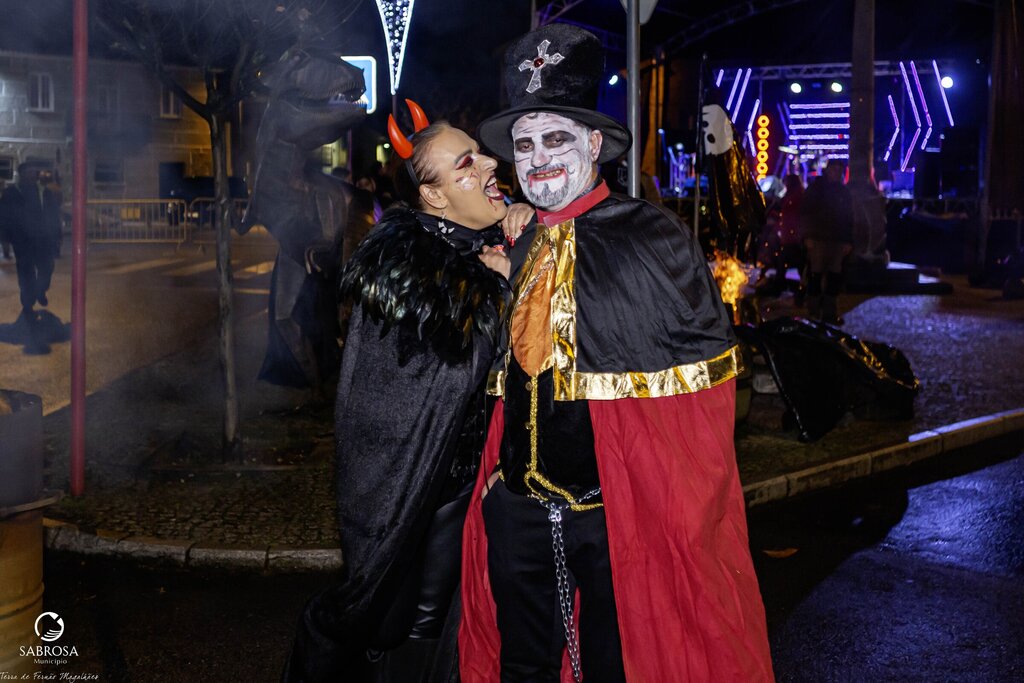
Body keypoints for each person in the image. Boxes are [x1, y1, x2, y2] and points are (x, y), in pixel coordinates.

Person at [460, 24, 774, 683]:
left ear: (595, 145)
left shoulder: (653, 240)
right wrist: (496, 487)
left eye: (556, 139)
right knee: (523, 668)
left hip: (613, 519)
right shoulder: (516, 241)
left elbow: (697, 410)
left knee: (616, 664)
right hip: (516, 511)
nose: (538, 159)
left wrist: (656, 504)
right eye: (525, 144)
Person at [283, 102, 519, 683]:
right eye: (466, 163)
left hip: (464, 478)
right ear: (433, 195)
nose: (489, 163)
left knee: (442, 620)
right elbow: (438, 379)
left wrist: (520, 226)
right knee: (399, 618)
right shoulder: (407, 268)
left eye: (480, 153)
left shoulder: (488, 242)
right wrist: (495, 292)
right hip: (414, 481)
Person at [0, 162, 62, 314]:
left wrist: (56, 237)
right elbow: (4, 217)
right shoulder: (11, 193)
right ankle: (27, 302)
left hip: (43, 238)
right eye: (30, 172)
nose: (34, 175)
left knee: (47, 267)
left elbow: (54, 215)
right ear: (21, 174)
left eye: (35, 172)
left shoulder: (45, 192)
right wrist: (5, 240)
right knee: (26, 272)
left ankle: (40, 290)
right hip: (22, 241)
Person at [800, 159, 853, 324]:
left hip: (837, 240)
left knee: (834, 276)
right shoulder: (816, 189)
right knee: (816, 275)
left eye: (839, 171)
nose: (836, 173)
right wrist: (807, 236)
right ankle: (814, 312)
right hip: (818, 239)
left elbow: (848, 218)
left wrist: (848, 240)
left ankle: (829, 313)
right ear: (828, 170)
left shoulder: (843, 192)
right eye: (834, 170)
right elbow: (805, 213)